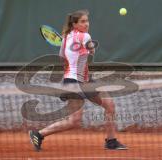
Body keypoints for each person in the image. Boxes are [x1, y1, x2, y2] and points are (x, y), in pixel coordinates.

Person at [29, 9, 127, 151]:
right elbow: (91, 51)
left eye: (87, 21)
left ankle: (111, 142)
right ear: (74, 24)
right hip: (74, 82)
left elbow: (63, 58)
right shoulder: (85, 36)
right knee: (74, 121)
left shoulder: (66, 38)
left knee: (109, 105)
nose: (86, 24)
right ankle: (38, 134)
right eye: (82, 21)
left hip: (83, 80)